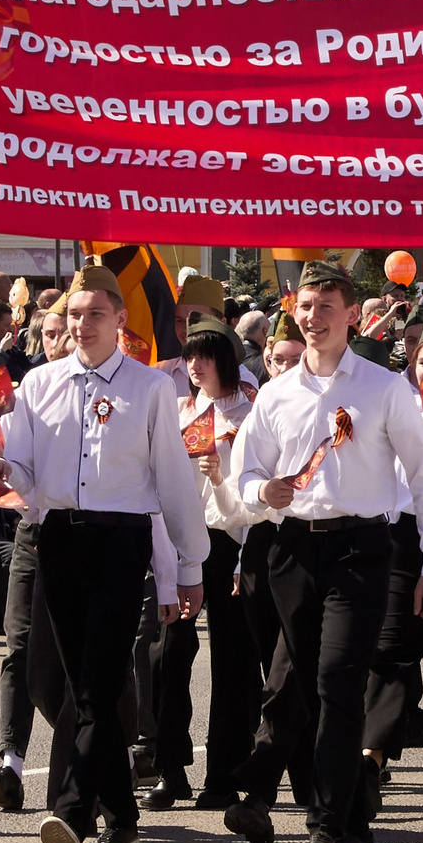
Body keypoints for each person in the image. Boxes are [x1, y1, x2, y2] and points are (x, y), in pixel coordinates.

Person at [0, 264, 207, 843]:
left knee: (97, 680)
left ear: (119, 320)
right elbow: (27, 470)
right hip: (57, 539)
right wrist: (5, 472)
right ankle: (124, 816)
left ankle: (73, 815)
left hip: (121, 541)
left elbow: (173, 481)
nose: (83, 325)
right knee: (81, 687)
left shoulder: (149, 388)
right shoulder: (39, 384)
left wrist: (187, 566)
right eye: (75, 316)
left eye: (96, 315)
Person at [227, 263, 423, 843]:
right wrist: (260, 493)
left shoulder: (383, 388)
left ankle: (325, 827)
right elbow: (244, 477)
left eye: (327, 306)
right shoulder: (275, 393)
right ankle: (354, 825)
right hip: (293, 550)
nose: (313, 317)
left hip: (360, 548)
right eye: (305, 306)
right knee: (315, 691)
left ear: (352, 314)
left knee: (338, 679)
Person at [149, 320, 262, 810]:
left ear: (227, 359)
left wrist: (220, 478)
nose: (194, 366)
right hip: (178, 544)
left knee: (235, 661)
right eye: (189, 357)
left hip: (231, 541)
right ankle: (169, 769)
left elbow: (255, 495)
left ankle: (226, 773)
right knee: (167, 652)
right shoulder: (176, 410)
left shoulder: (251, 412)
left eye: (205, 356)